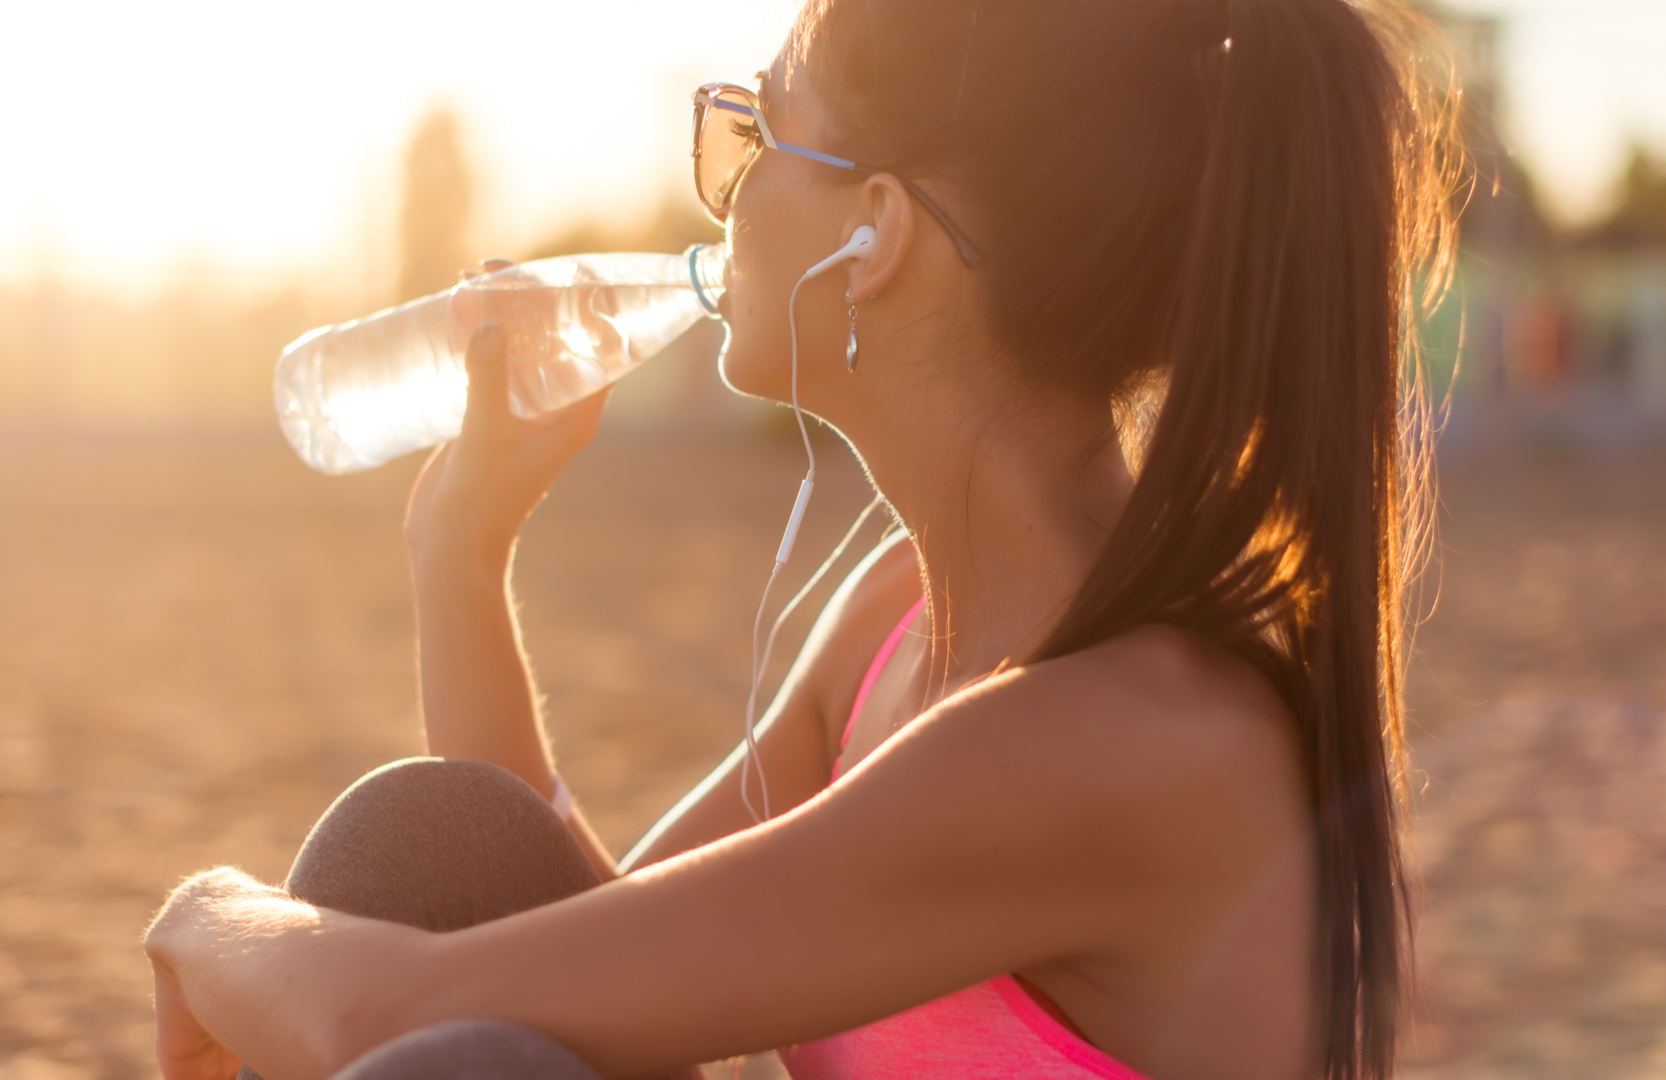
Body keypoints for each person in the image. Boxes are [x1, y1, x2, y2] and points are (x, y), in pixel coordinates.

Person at [144, 0, 1460, 1077]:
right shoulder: (899, 611)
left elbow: (399, 1021)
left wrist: (204, 917)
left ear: (874, 232)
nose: (722, 193)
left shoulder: (1121, 737)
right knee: (435, 841)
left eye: (757, 131)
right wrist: (460, 545)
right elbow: (574, 962)